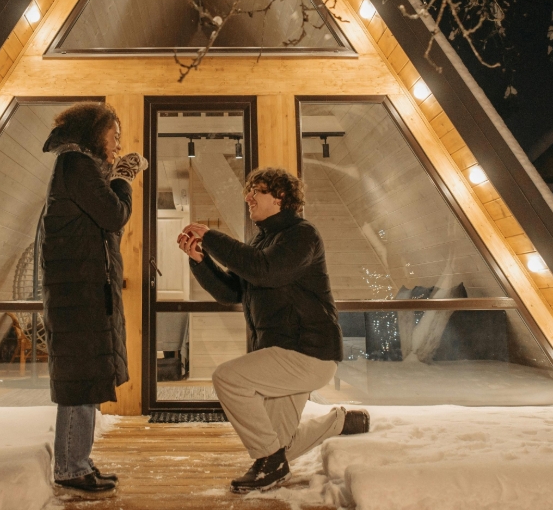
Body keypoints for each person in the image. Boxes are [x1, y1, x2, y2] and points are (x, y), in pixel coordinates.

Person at [178, 166, 369, 493]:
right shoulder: (263, 240)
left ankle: (270, 464)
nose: (248, 197)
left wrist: (211, 236)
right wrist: (200, 260)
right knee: (282, 444)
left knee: (228, 378)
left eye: (257, 191)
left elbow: (265, 270)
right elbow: (231, 292)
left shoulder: (301, 235)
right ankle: (340, 421)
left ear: (281, 196)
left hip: (307, 351)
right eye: (249, 191)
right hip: (284, 353)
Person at [40, 102, 145, 494]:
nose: (117, 144)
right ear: (94, 133)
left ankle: (78, 459)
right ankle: (70, 467)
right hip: (77, 293)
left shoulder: (77, 166)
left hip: (80, 290)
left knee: (83, 380)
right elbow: (114, 215)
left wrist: (114, 174)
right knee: (79, 383)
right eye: (113, 136)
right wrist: (123, 179)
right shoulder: (76, 165)